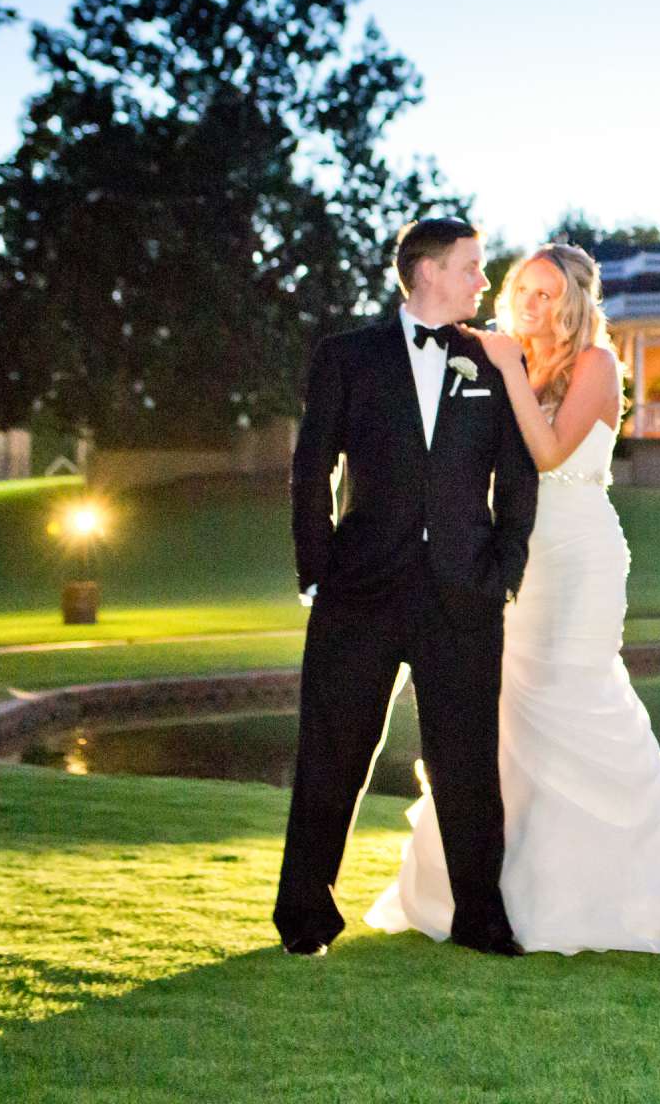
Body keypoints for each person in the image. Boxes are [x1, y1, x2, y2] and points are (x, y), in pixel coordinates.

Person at [366, 243, 660, 956]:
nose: (531, 303)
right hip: (511, 552)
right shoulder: (511, 362)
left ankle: (623, 895)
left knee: (575, 698)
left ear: (577, 302)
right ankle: (495, 894)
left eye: (548, 293)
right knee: (503, 713)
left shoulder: (595, 365)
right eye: (524, 289)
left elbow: (549, 451)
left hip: (579, 549)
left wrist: (503, 367)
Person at [275, 217, 537, 958]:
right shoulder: (346, 358)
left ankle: (480, 919)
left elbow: (519, 478)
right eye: (470, 267)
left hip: (464, 592)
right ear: (425, 271)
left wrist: (503, 571)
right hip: (360, 589)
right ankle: (304, 917)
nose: (482, 283)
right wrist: (318, 570)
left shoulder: (491, 362)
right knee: (333, 752)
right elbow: (310, 468)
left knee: (467, 760)